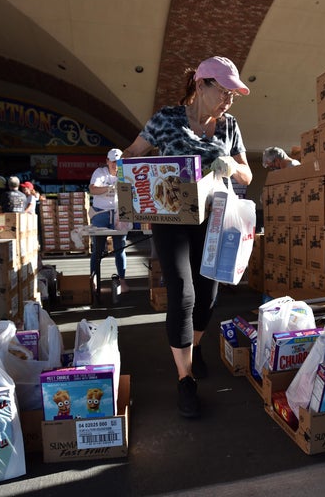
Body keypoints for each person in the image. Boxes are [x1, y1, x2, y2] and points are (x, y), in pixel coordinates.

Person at [121, 56, 253, 418]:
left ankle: (193, 350)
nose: (228, 99)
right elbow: (134, 154)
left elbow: (248, 175)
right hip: (171, 220)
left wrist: (233, 167)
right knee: (183, 291)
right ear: (201, 85)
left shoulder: (229, 126)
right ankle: (185, 379)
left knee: (209, 294)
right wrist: (120, 163)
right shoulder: (166, 119)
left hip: (215, 220)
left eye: (233, 94)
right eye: (223, 91)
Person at [88, 148, 129, 293]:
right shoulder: (100, 173)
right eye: (113, 162)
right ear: (107, 161)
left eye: (118, 162)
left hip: (120, 213)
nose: (115, 165)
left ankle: (122, 280)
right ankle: (93, 279)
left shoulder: (126, 172)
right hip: (101, 213)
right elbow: (92, 189)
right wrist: (110, 188)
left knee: (120, 248)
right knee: (97, 249)